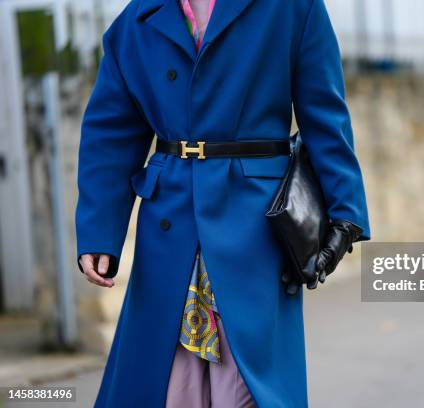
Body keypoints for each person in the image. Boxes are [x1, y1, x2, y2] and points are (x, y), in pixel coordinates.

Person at [75, 0, 370, 406]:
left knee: (250, 387)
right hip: (169, 229)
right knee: (169, 386)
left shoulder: (292, 8)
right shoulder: (136, 19)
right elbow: (109, 134)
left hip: (257, 225)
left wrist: (346, 212)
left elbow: (325, 114)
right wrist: (98, 230)